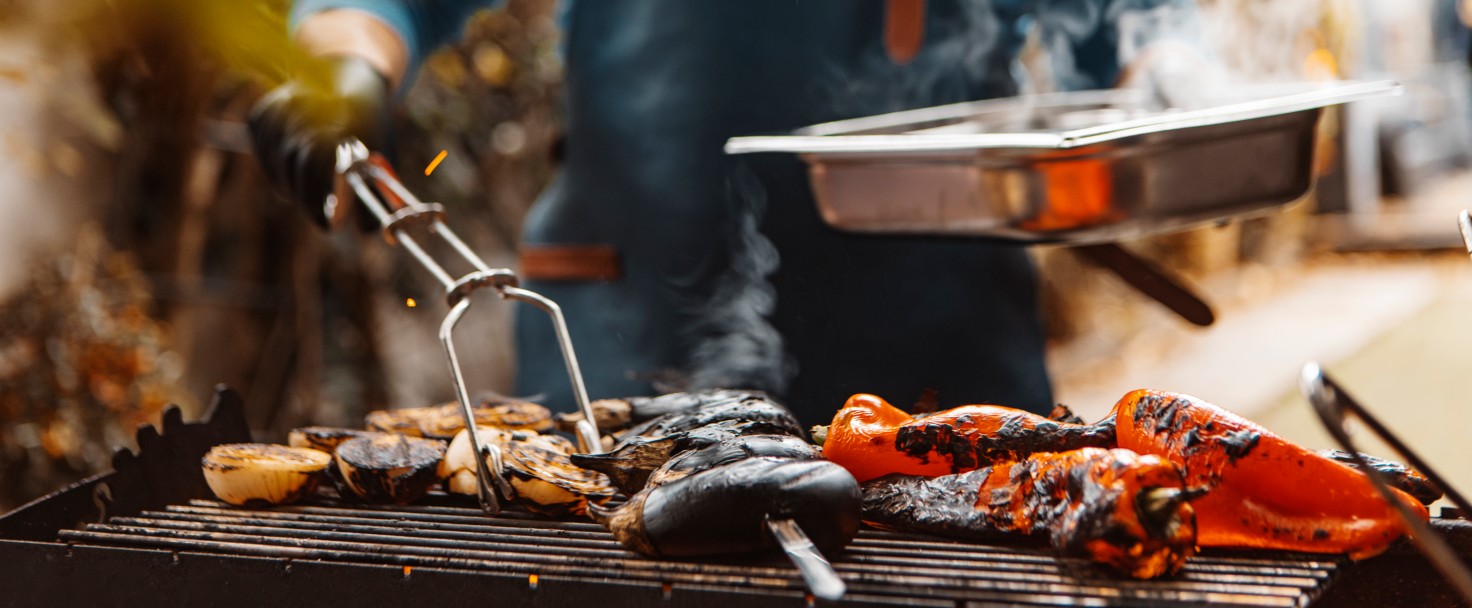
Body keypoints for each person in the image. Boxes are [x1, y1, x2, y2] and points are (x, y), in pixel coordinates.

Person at [250, 1, 1126, 424]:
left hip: (944, 354)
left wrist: (1154, 77)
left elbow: (1117, 36)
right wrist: (350, 63)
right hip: (625, 344)